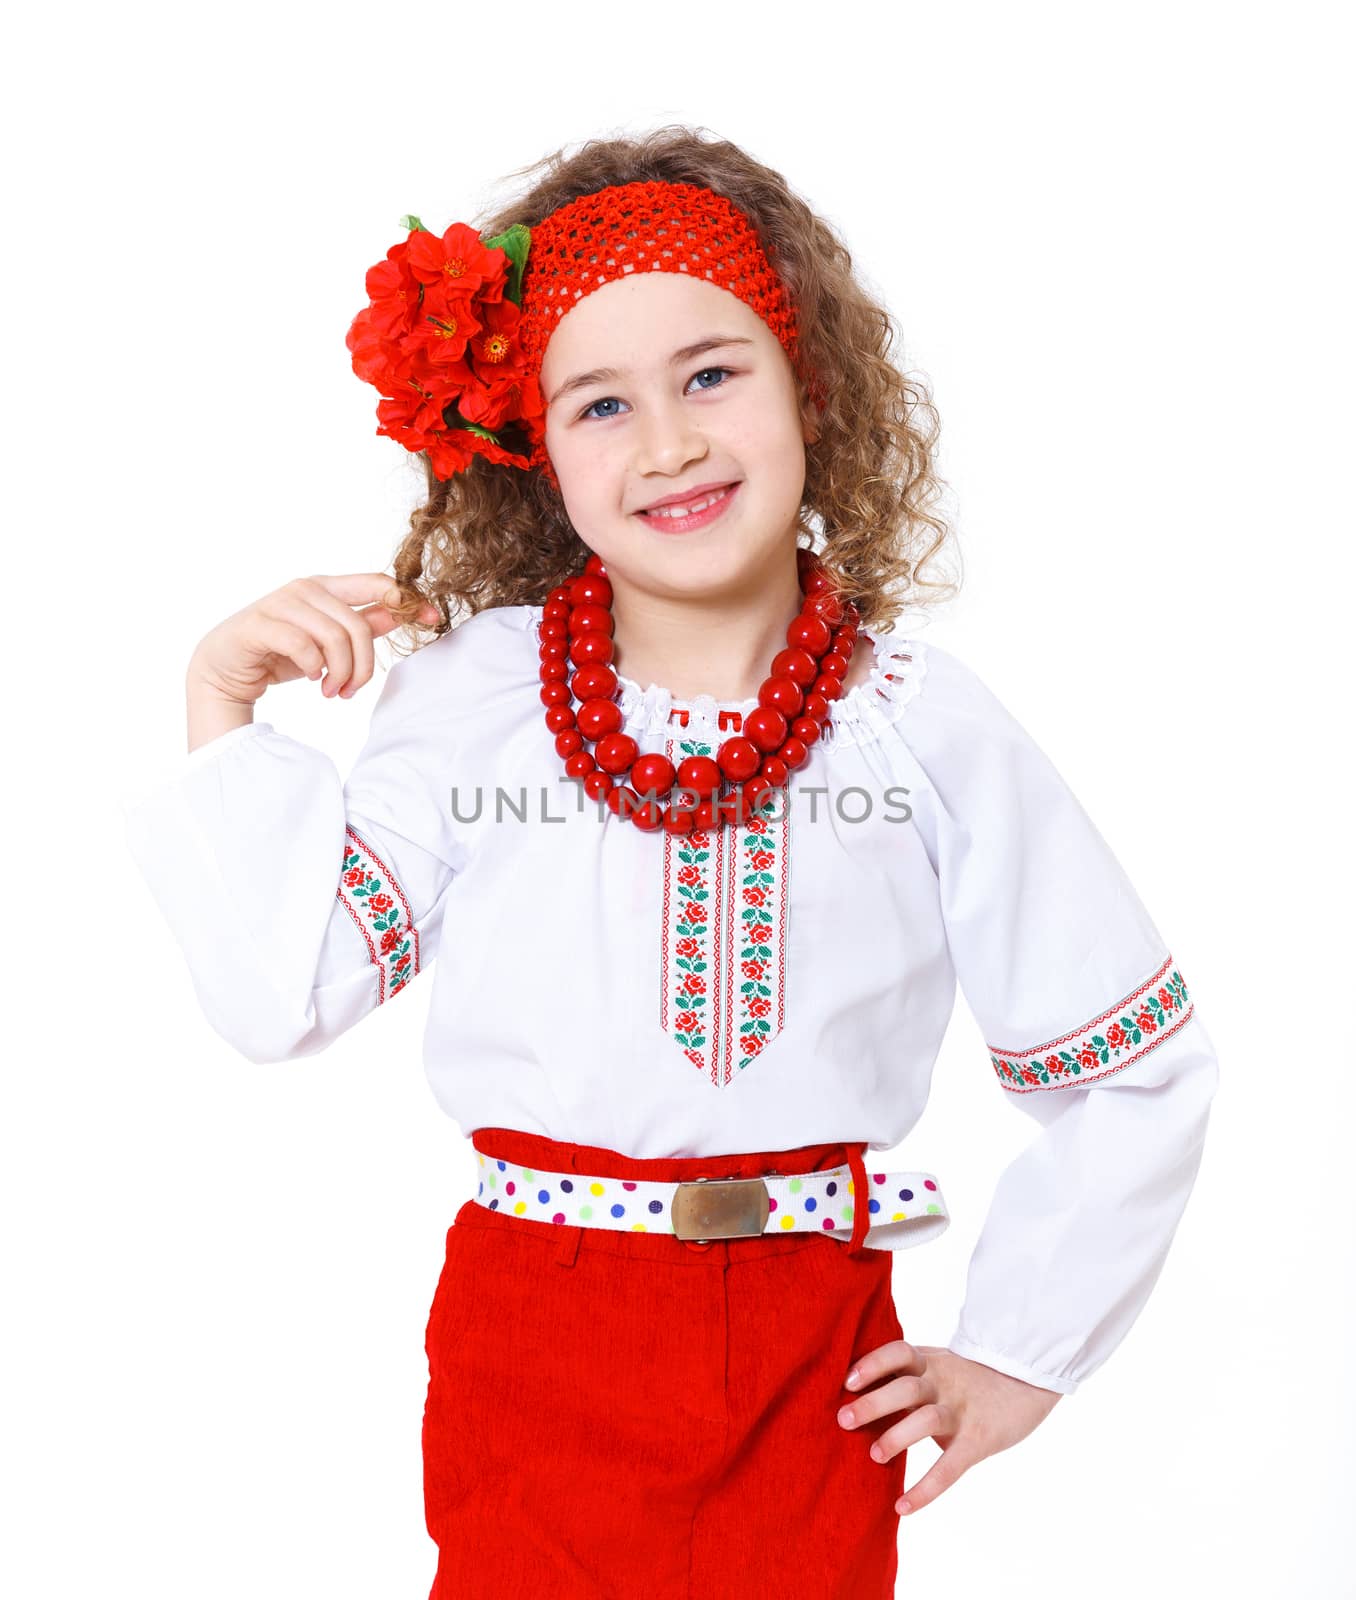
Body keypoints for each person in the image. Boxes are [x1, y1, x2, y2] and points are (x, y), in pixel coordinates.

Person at [120, 127, 1220, 1599]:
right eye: (600, 403)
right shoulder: (476, 700)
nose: (670, 444)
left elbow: (1133, 1060)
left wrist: (1024, 1350)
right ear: (530, 445)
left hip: (810, 1350)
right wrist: (221, 708)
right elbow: (287, 996)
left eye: (712, 374)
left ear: (808, 382)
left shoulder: (924, 726)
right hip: (538, 1330)